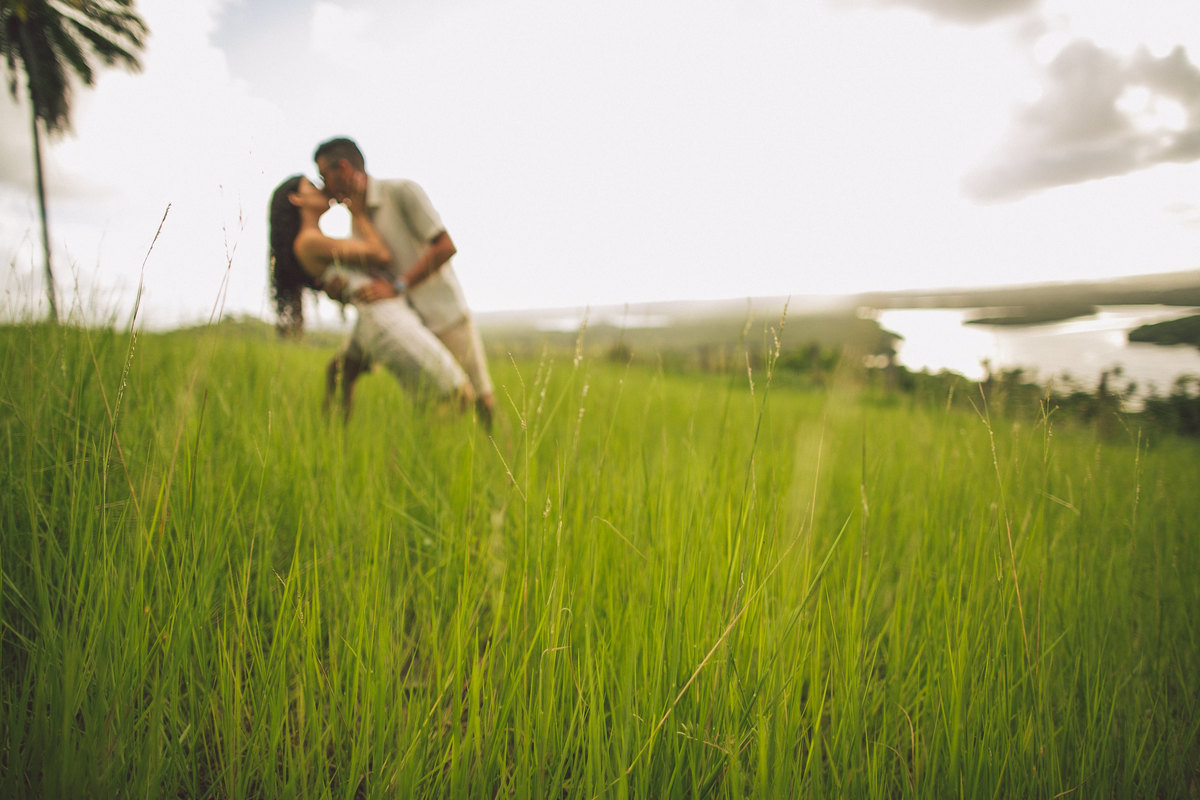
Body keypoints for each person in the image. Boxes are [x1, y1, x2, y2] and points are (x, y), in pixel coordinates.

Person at [313, 137, 495, 427]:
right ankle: (332, 443)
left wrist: (398, 285)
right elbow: (373, 273)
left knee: (480, 399)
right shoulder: (356, 219)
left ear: (344, 168)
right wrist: (339, 291)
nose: (324, 187)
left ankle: (504, 457)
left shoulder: (401, 191)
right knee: (339, 371)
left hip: (441, 314)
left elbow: (446, 246)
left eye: (325, 176)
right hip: (398, 318)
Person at [268, 173, 476, 419]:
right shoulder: (309, 241)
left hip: (376, 316)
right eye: (312, 185)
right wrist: (358, 214)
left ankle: (335, 442)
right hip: (383, 318)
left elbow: (354, 275)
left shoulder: (317, 241)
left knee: (339, 372)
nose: (321, 187)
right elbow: (380, 254)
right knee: (460, 396)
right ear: (297, 199)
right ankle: (405, 455)